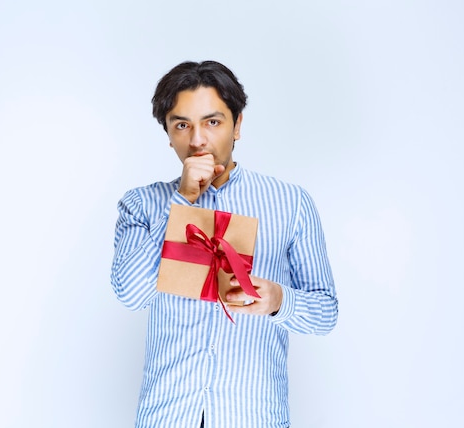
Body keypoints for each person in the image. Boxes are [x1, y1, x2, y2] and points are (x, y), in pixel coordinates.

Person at [111, 60, 338, 428]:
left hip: (252, 415)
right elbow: (131, 295)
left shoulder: (291, 203)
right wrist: (182, 201)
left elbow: (326, 312)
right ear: (168, 134)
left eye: (212, 122)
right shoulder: (142, 205)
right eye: (182, 125)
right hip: (167, 416)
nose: (197, 140)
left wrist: (280, 300)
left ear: (238, 125)